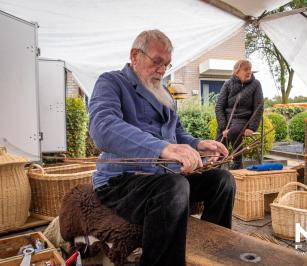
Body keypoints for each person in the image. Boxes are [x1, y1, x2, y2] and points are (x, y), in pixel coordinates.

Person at [88, 29, 236, 266]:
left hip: (162, 176)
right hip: (121, 181)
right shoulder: (111, 82)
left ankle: (210, 253)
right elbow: (102, 127)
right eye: (157, 62)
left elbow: (177, 132)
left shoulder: (162, 91)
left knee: (222, 180)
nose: (161, 70)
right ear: (135, 55)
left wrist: (198, 145)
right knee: (174, 186)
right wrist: (162, 148)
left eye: (166, 64)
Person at [215, 59, 264, 170]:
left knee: (233, 132)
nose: (249, 72)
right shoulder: (228, 84)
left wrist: (252, 127)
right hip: (227, 120)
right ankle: (216, 168)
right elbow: (219, 107)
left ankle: (237, 162)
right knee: (218, 145)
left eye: (250, 69)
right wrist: (223, 127)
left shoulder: (256, 84)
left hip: (243, 119)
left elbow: (259, 107)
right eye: (246, 69)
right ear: (237, 71)